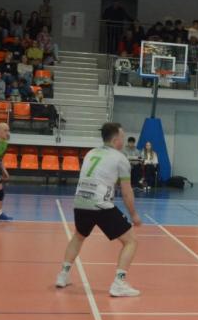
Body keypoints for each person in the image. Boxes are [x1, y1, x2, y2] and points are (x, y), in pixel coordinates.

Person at [55, 122, 142, 296]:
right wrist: (134, 215)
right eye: (122, 137)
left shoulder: (91, 153)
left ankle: (63, 275)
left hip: (80, 202)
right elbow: (126, 192)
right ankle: (119, 283)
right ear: (116, 139)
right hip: (101, 205)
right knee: (131, 241)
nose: (124, 140)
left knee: (79, 236)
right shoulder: (120, 158)